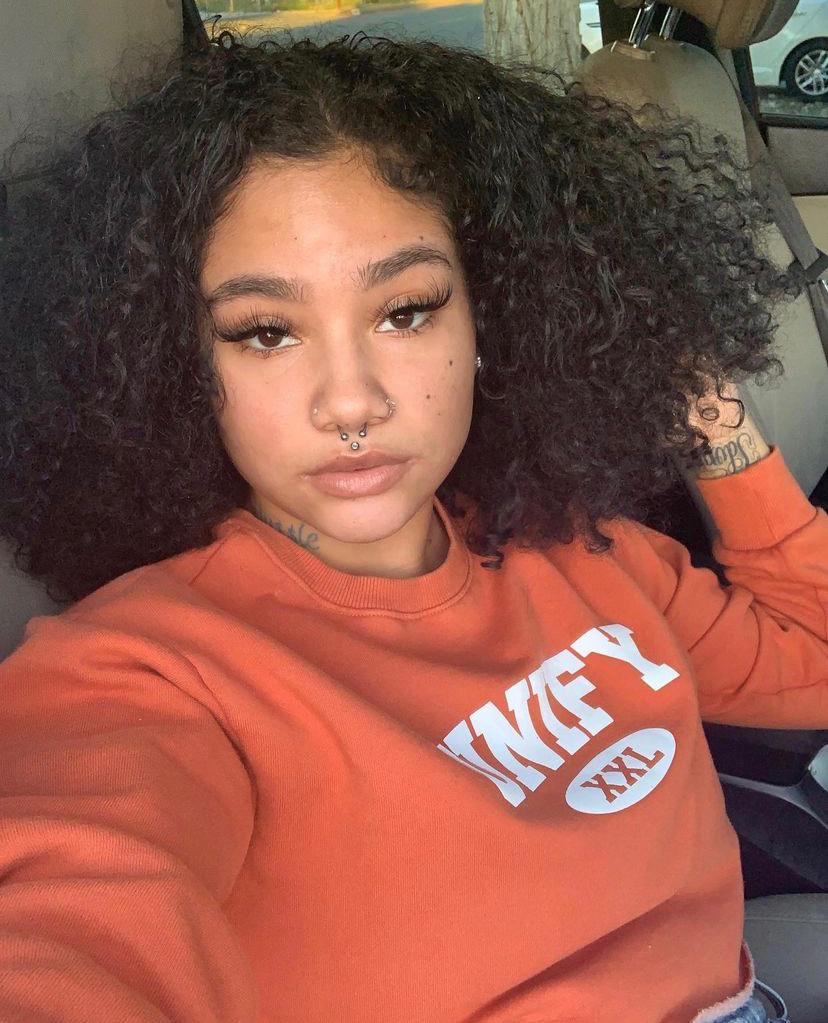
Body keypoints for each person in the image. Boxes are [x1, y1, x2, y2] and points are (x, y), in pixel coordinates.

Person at [0, 33, 824, 1023]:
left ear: (492, 316)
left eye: (406, 311)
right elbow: (68, 915)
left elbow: (814, 657)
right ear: (178, 364)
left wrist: (712, 418)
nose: (351, 401)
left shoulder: (580, 545)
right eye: (264, 331)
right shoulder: (147, 671)